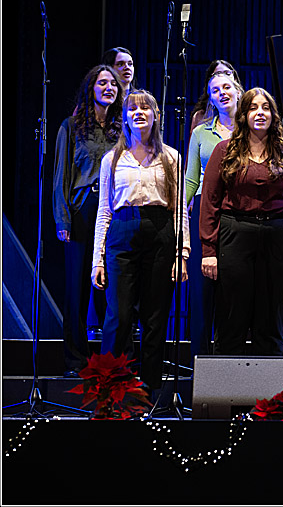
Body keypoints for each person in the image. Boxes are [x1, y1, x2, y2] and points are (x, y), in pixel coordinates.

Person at [200, 88, 283, 357]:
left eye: (265, 108)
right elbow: (210, 201)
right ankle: (227, 383)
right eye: (253, 108)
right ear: (243, 115)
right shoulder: (224, 150)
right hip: (235, 234)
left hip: (277, 236)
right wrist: (208, 250)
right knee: (231, 317)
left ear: (273, 115)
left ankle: (269, 384)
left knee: (270, 319)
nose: (260, 113)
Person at [91, 90, 188, 394]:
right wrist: (97, 259)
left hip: (159, 231)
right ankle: (110, 389)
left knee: (154, 318)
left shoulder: (171, 157)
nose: (139, 113)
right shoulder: (112, 159)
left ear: (156, 116)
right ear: (125, 118)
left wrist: (181, 254)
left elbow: (179, 209)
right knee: (118, 315)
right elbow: (104, 210)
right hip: (122, 230)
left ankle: (149, 391)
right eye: (133, 109)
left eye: (146, 108)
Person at [54, 65, 123, 377]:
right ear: (90, 88)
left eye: (113, 84)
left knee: (113, 288)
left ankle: (113, 361)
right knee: (78, 290)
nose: (109, 88)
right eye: (102, 82)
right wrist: (63, 219)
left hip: (115, 212)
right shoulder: (71, 126)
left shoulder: (122, 129)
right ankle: (75, 361)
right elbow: (61, 176)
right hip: (83, 211)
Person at [183, 68, 243, 357]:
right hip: (205, 212)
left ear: (238, 91)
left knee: (232, 288)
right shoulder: (200, 132)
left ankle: (228, 360)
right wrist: (180, 216)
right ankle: (199, 360)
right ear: (211, 99)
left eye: (227, 87)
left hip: (240, 214)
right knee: (202, 289)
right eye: (216, 90)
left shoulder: (251, 130)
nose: (222, 93)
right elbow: (191, 179)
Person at [190, 60, 243, 133]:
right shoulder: (200, 117)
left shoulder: (247, 114)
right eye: (217, 74)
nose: (222, 77)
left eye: (227, 73)